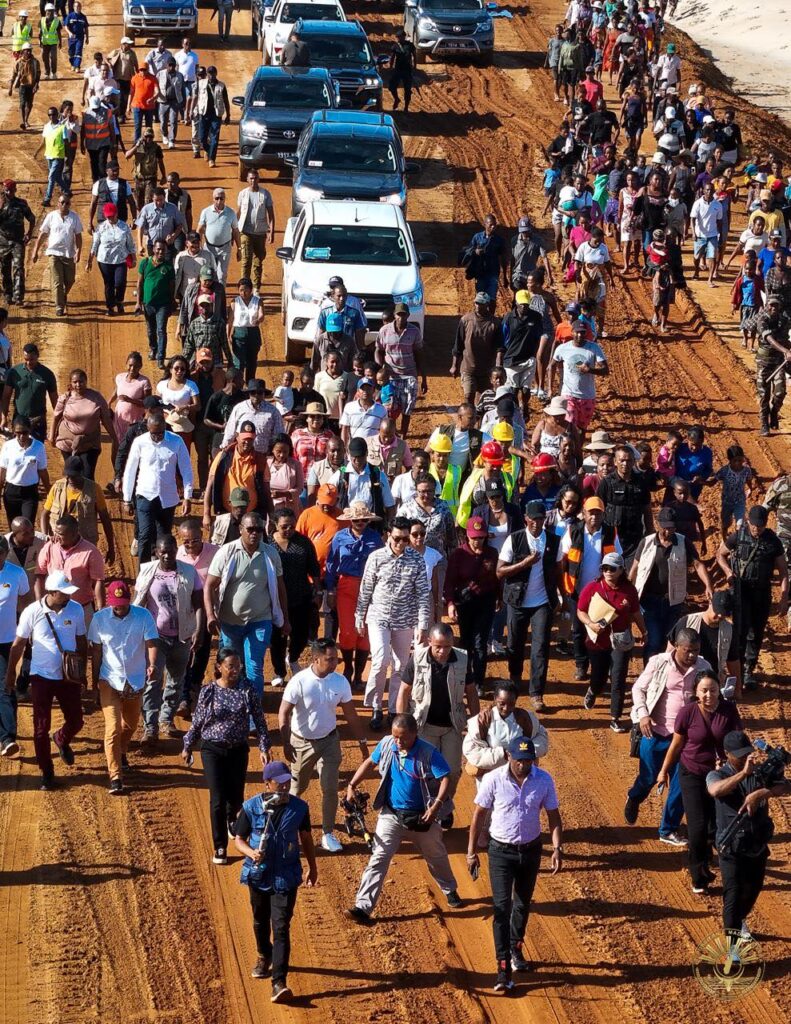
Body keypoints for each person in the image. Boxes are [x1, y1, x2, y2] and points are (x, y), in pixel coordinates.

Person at [467, 735, 562, 991]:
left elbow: (553, 816)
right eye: (519, 760)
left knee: (522, 905)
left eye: (528, 760)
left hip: (530, 851)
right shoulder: (493, 779)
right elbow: (478, 816)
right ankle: (503, 968)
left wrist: (556, 848)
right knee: (501, 908)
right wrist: (471, 852)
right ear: (509, 756)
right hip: (500, 852)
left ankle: (516, 948)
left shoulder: (543, 780)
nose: (523, 765)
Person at [345, 713, 460, 923]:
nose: (398, 742)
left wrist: (436, 806)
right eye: (395, 736)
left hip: (422, 818)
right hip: (392, 815)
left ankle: (449, 888)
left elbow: (445, 777)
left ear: (415, 734)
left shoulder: (428, 752)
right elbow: (370, 761)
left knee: (436, 857)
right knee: (379, 857)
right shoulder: (388, 744)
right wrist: (352, 785)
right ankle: (363, 906)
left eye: (403, 738)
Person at [234, 759, 317, 1003]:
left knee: (281, 927)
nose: (284, 786)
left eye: (287, 781)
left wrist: (312, 867)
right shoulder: (251, 807)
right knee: (260, 921)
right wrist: (251, 853)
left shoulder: (300, 808)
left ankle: (279, 982)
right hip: (258, 875)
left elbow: (306, 838)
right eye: (279, 782)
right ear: (267, 783)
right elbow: (239, 839)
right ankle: (263, 955)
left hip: (286, 877)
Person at [655, 670, 742, 894]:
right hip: (691, 773)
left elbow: (737, 743)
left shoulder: (729, 711)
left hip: (720, 776)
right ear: (695, 692)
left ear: (719, 690)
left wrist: (733, 765)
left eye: (713, 690)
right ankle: (698, 876)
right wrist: (664, 771)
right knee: (697, 827)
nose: (708, 695)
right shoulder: (687, 713)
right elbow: (676, 745)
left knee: (718, 826)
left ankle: (718, 865)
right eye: (703, 690)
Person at [279, 637, 369, 853]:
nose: (335, 663)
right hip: (302, 743)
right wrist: (286, 743)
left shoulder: (340, 682)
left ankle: (327, 834)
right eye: (330, 660)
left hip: (329, 740)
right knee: (297, 789)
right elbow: (284, 712)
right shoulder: (299, 681)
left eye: (336, 659)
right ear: (316, 659)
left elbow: (351, 715)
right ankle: (287, 831)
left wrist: (362, 743)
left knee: (329, 787)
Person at [625, 627, 712, 844]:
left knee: (682, 785)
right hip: (656, 733)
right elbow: (638, 689)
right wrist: (643, 715)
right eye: (688, 650)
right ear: (676, 647)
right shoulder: (659, 662)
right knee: (648, 777)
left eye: (696, 650)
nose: (692, 655)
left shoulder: (703, 667)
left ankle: (668, 829)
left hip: (687, 738)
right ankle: (635, 796)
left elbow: (712, 692)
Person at [183, 647, 271, 861]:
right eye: (231, 666)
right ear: (219, 667)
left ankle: (233, 821)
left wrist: (263, 746)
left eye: (238, 666)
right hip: (212, 749)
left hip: (238, 749)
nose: (235, 670)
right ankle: (220, 846)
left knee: (236, 796)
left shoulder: (247, 688)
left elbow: (259, 720)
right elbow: (198, 722)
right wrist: (187, 744)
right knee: (217, 799)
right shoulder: (208, 691)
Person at [706, 730, 790, 951]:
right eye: (739, 755)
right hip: (731, 847)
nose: (745, 758)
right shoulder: (719, 775)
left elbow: (785, 786)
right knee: (732, 894)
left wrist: (760, 794)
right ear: (727, 754)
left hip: (756, 845)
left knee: (752, 891)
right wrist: (743, 774)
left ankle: (738, 921)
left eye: (747, 754)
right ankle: (732, 949)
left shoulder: (760, 773)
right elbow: (715, 790)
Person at [7, 569, 86, 789]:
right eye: (64, 592)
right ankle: (46, 772)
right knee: (40, 728)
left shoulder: (77, 610)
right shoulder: (32, 611)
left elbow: (81, 642)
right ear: (51, 592)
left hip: (68, 677)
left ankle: (61, 738)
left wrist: (82, 673)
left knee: (77, 720)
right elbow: (19, 644)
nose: (69, 596)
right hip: (41, 677)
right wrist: (11, 673)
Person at [396, 623, 478, 829]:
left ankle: (444, 807)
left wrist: (475, 724)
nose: (442, 651)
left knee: (452, 772)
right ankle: (426, 807)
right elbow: (404, 691)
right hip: (424, 725)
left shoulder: (462, 660)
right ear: (430, 642)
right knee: (426, 772)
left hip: (452, 725)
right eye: (438, 646)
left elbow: (471, 692)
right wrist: (401, 721)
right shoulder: (417, 659)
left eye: (447, 647)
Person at [356, 516, 431, 729]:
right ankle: (375, 706)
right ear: (388, 535)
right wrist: (359, 617)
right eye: (397, 538)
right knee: (380, 660)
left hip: (404, 620)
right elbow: (365, 590)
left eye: (405, 539)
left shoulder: (416, 560)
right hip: (378, 617)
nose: (401, 544)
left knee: (401, 665)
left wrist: (422, 625)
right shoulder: (376, 558)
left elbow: (422, 595)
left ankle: (394, 708)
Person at [204, 512, 290, 698]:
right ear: (240, 529)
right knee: (231, 667)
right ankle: (230, 703)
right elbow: (209, 585)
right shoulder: (226, 552)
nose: (255, 533)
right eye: (250, 529)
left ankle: (253, 713)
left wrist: (285, 618)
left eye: (259, 529)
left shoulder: (270, 553)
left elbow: (281, 587)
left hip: (259, 620)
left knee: (254, 667)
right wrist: (211, 615)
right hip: (229, 622)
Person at [133, 534, 203, 750]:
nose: (166, 555)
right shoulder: (147, 571)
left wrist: (198, 630)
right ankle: (150, 726)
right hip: (155, 637)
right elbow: (139, 601)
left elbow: (198, 604)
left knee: (176, 680)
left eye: (170, 551)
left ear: (176, 550)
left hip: (182, 636)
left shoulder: (189, 572)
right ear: (156, 552)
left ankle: (166, 719)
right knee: (153, 679)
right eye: (162, 551)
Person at [88, 580, 158, 793]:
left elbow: (151, 642)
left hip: (135, 679)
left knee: (131, 724)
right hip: (109, 678)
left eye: (123, 603)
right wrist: (94, 683)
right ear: (110, 602)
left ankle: (122, 750)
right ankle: (115, 776)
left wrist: (152, 664)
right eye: (116, 604)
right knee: (113, 727)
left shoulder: (143, 616)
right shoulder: (99, 619)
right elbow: (97, 652)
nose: (120, 607)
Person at [497, 500, 561, 712]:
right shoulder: (514, 540)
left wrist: (560, 597)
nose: (536, 523)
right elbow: (500, 571)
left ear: (545, 520)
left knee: (540, 647)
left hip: (542, 602)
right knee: (515, 645)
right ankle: (515, 679)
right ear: (526, 519)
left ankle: (536, 693)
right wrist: (525, 563)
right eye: (533, 519)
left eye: (540, 519)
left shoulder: (553, 540)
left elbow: (558, 569)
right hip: (517, 602)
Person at [716, 505, 788, 691]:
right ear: (748, 522)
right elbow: (720, 555)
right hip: (742, 591)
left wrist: (783, 598)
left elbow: (783, 572)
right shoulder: (738, 536)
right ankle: (736, 670)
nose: (757, 529)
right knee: (741, 630)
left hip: (762, 593)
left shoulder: (773, 541)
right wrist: (728, 572)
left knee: (756, 631)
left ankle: (749, 670)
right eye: (755, 525)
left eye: (761, 526)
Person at [629, 506, 713, 657]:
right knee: (653, 640)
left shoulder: (683, 542)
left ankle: (666, 676)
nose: (668, 532)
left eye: (672, 528)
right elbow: (635, 568)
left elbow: (698, 564)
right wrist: (628, 591)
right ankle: (651, 675)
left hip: (673, 602)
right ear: (658, 524)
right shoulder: (646, 542)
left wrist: (708, 585)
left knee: (669, 640)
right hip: (649, 601)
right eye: (665, 528)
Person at [577, 551, 646, 732]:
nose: (608, 572)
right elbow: (580, 611)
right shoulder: (593, 588)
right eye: (605, 568)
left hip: (620, 640)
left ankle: (615, 717)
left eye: (612, 568)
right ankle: (593, 690)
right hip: (598, 642)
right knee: (599, 676)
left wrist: (644, 631)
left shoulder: (629, 590)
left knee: (618, 678)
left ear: (621, 570)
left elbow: (635, 612)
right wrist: (591, 624)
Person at [122, 410, 193, 565]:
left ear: (165, 428)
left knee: (164, 537)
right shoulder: (140, 442)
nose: (157, 437)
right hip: (145, 495)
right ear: (148, 429)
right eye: (153, 434)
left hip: (167, 498)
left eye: (160, 433)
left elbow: (186, 468)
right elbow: (130, 470)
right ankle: (144, 571)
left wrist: (187, 496)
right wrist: (127, 499)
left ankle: (162, 570)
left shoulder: (176, 441)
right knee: (145, 535)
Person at [325, 502, 383, 687]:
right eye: (357, 519)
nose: (360, 522)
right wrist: (331, 589)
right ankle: (348, 667)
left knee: (365, 631)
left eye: (364, 519)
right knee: (348, 630)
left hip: (370, 587)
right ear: (351, 520)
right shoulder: (339, 537)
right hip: (346, 585)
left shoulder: (375, 538)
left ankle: (359, 674)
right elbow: (331, 564)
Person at [444, 516, 500, 698]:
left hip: (486, 602)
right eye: (474, 537)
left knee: (480, 642)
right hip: (466, 604)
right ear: (467, 536)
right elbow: (449, 582)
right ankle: (464, 677)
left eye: (481, 537)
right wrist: (451, 603)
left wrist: (499, 597)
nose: (478, 541)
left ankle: (478, 682)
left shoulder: (492, 553)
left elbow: (496, 578)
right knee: (466, 641)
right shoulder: (458, 555)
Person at [268, 509, 319, 686]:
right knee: (277, 637)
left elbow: (314, 569)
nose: (288, 529)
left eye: (292, 526)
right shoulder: (267, 544)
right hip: (273, 599)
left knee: (301, 634)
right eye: (284, 526)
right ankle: (279, 671)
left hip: (301, 596)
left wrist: (317, 592)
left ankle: (294, 657)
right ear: (275, 525)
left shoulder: (303, 543)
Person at [41, 457, 115, 559]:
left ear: (81, 473)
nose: (70, 479)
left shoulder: (94, 489)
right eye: (68, 476)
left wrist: (111, 547)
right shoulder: (58, 487)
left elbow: (105, 518)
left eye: (74, 476)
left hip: (85, 543)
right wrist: (46, 538)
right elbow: (45, 514)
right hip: (60, 542)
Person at [49, 369, 116, 480]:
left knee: (88, 475)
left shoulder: (96, 398)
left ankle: (89, 496)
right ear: (71, 383)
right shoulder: (65, 398)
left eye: (81, 381)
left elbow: (106, 419)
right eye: (75, 382)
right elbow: (56, 417)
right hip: (67, 443)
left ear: (86, 381)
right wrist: (52, 436)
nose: (78, 385)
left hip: (90, 443)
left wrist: (114, 437)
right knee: (71, 474)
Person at [670, 591, 741, 694]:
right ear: (710, 603)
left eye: (724, 613)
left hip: (712, 684)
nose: (720, 615)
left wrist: (737, 689)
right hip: (686, 681)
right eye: (717, 611)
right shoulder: (686, 622)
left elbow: (733, 660)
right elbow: (670, 651)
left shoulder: (729, 630)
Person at [0, 535, 31, 757]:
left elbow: (24, 603)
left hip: (6, 641)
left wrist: (26, 631)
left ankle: (7, 738)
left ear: (5, 552)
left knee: (5, 685)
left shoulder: (17, 573)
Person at [598, 444, 652, 565]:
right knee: (611, 569)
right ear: (615, 462)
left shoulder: (641, 482)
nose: (625, 464)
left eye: (628, 461)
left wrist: (650, 532)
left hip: (634, 538)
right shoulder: (606, 482)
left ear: (633, 462)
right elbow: (599, 508)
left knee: (632, 571)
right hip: (611, 537)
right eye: (622, 460)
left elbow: (647, 509)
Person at [31, 191, 82, 316]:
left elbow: (78, 235)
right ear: (58, 204)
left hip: (68, 254)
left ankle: (62, 295)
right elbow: (43, 234)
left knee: (70, 280)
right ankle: (59, 306)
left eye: (67, 203)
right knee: (57, 281)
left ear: (70, 204)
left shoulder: (74, 217)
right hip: (54, 253)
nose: (64, 205)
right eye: (62, 202)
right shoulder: (51, 216)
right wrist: (35, 251)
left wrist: (78, 251)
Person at [450, 292, 504, 405]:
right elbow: (458, 345)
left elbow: (499, 348)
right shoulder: (466, 320)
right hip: (468, 368)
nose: (478, 306)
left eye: (481, 304)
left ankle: (480, 422)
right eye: (477, 303)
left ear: (487, 305)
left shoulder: (495, 324)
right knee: (469, 396)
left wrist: (498, 367)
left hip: (486, 370)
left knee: (483, 400)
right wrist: (454, 365)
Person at [86, 201, 136, 316]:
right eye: (108, 216)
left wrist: (133, 258)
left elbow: (130, 244)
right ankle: (110, 307)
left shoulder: (124, 227)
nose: (110, 218)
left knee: (120, 283)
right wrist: (89, 261)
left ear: (116, 214)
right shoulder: (101, 228)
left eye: (112, 216)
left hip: (121, 260)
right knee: (109, 284)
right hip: (105, 260)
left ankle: (119, 301)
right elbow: (95, 244)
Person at [1, 343, 57, 442]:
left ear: (37, 356)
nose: (28, 362)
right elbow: (6, 396)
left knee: (36, 449)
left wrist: (58, 423)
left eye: (31, 359)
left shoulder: (47, 374)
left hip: (38, 420)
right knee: (19, 450)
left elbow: (55, 401)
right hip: (19, 420)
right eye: (26, 359)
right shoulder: (14, 372)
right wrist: (4, 417)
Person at [0, 416, 49, 524]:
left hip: (30, 493)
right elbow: (2, 471)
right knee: (14, 526)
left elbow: (42, 471)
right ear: (13, 431)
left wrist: (49, 492)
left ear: (30, 430)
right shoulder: (8, 446)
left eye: (25, 432)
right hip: (11, 492)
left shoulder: (39, 447)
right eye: (18, 432)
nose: (21, 436)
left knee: (27, 524)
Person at [135, 240, 175, 367]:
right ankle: (153, 348)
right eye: (158, 249)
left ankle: (161, 358)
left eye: (163, 249)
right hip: (148, 304)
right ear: (153, 249)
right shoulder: (145, 263)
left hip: (162, 305)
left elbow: (171, 286)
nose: (160, 252)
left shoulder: (168, 266)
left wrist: (172, 301)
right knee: (151, 330)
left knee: (161, 330)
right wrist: (138, 303)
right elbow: (140, 283)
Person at [222, 378, 284, 455]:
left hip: (263, 456)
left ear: (264, 394)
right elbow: (230, 431)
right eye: (253, 392)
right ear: (249, 393)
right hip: (242, 456)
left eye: (260, 393)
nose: (256, 395)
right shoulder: (239, 408)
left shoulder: (273, 411)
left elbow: (279, 435)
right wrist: (225, 448)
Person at [236, 169, 274, 292]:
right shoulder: (243, 194)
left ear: (258, 179)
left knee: (258, 261)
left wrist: (271, 232)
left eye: (255, 178)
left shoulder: (265, 194)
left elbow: (271, 215)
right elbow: (239, 213)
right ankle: (244, 287)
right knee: (246, 260)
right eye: (251, 178)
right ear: (247, 180)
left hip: (260, 233)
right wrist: (234, 232)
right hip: (245, 232)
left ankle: (256, 288)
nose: (253, 181)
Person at [0, 181, 36, 307]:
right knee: (5, 268)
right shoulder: (0, 202)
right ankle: (8, 294)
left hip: (17, 241)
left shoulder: (21, 204)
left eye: (11, 190)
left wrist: (29, 233)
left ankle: (18, 296)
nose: (9, 193)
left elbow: (32, 218)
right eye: (6, 190)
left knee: (18, 268)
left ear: (15, 190)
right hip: (3, 241)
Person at [198, 187, 239, 284]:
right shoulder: (206, 212)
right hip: (209, 248)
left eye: (221, 198)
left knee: (222, 276)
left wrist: (239, 249)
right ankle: (210, 297)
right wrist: (199, 246)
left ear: (225, 199)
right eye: (217, 198)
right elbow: (199, 230)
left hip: (225, 248)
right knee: (209, 274)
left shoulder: (231, 213)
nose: (219, 201)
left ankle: (220, 297)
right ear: (213, 199)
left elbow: (236, 231)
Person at [196, 65, 229, 169]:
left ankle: (212, 159)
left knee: (214, 137)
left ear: (216, 73)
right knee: (202, 138)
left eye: (213, 73)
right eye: (209, 73)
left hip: (216, 115)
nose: (211, 75)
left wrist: (228, 114)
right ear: (207, 74)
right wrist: (193, 110)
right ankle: (208, 150)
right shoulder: (201, 83)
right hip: (204, 113)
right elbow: (196, 97)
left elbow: (226, 101)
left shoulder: (221, 86)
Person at [107, 37, 138, 122]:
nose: (130, 45)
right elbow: (107, 58)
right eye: (128, 44)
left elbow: (136, 65)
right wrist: (110, 64)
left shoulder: (132, 53)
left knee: (125, 98)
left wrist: (138, 75)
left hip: (128, 79)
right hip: (118, 78)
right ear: (123, 44)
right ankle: (120, 115)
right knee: (119, 97)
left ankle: (122, 114)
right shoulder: (116, 51)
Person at [388, 29, 415, 112]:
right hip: (398, 69)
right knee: (392, 86)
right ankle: (396, 99)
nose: (399, 38)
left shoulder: (410, 45)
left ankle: (406, 107)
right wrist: (390, 67)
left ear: (404, 37)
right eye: (398, 37)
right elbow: (392, 58)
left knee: (407, 90)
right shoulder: (395, 46)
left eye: (400, 37)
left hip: (407, 70)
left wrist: (415, 67)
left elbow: (414, 56)